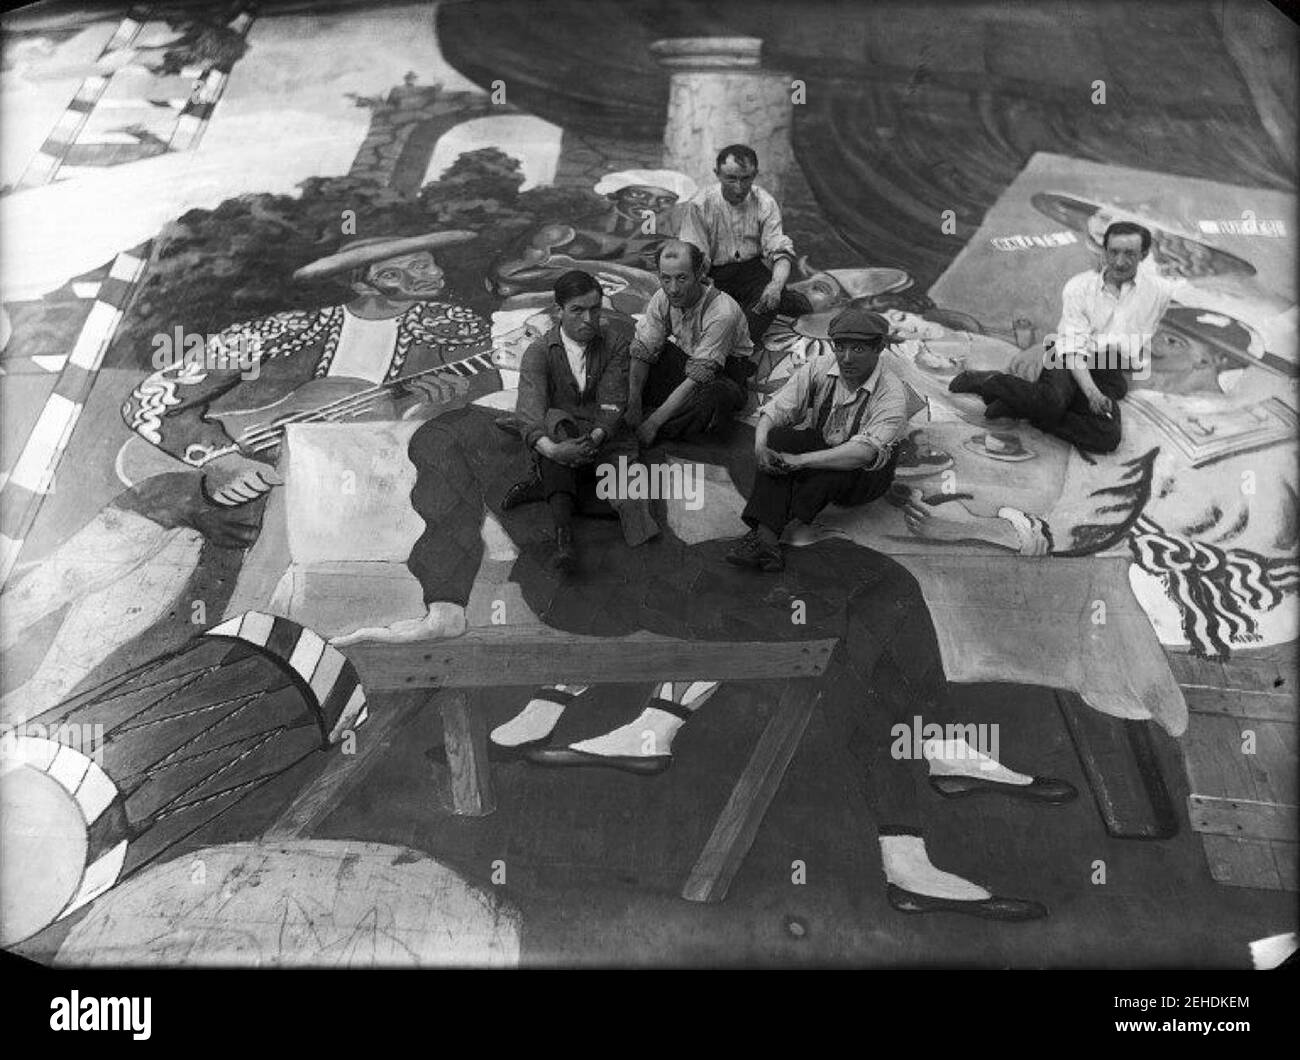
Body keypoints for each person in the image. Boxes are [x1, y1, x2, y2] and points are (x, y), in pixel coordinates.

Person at [122, 231, 494, 507]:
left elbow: (492, 412)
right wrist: (223, 461)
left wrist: (438, 408)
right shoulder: (286, 329)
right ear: (363, 284)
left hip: (376, 493)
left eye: (429, 262)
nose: (434, 273)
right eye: (409, 269)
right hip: (256, 487)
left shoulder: (455, 328)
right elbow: (148, 401)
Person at [948, 221, 1182, 453]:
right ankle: (991, 382)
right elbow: (1072, 351)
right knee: (1053, 401)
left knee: (1107, 436)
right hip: (1067, 359)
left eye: (1130, 254)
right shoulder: (1079, 288)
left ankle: (1023, 406)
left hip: (1107, 373)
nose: (1120, 262)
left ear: (1143, 255)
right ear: (1104, 251)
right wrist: (1092, 394)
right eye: (1114, 252)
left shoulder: (1158, 291)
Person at [725, 307, 910, 573]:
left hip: (865, 475)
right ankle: (767, 543)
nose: (846, 358)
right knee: (778, 440)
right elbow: (778, 408)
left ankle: (764, 536)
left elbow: (863, 453)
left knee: (824, 475)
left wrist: (800, 461)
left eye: (858, 350)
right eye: (840, 347)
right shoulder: (820, 367)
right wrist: (761, 445)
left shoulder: (891, 393)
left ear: (879, 348)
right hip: (826, 445)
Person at [501, 269, 658, 572]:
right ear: (559, 311)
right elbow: (532, 410)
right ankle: (564, 538)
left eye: (595, 309)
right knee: (553, 425)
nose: (588, 319)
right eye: (577, 310)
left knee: (637, 516)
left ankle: (549, 487)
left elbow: (614, 404)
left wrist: (594, 440)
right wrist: (555, 450)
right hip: (561, 434)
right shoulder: (539, 352)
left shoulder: (615, 344)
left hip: (608, 439)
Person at [678, 144, 810, 346]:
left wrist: (774, 287)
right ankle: (787, 299)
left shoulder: (765, 203)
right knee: (711, 313)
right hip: (712, 273)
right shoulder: (699, 204)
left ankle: (738, 351)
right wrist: (703, 287)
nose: (739, 188)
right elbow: (693, 255)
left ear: (755, 174)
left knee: (766, 303)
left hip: (751, 271)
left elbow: (779, 251)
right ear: (717, 174)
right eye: (731, 179)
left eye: (746, 178)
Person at [625, 239, 753, 447]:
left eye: (682, 278)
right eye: (665, 279)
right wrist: (633, 403)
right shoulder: (662, 298)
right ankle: (656, 411)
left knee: (714, 397)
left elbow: (698, 376)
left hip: (723, 374)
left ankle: (665, 425)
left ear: (699, 274)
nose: (673, 289)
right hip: (687, 359)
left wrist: (653, 423)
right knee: (631, 353)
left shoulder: (722, 312)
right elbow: (644, 350)